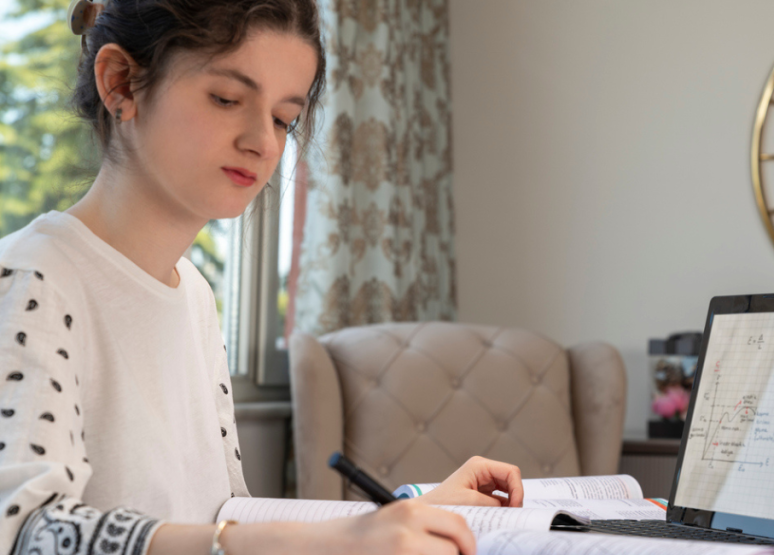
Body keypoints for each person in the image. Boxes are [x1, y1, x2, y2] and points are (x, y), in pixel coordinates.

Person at [0, 0, 524, 553]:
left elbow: (224, 514)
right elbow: (25, 531)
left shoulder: (194, 294)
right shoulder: (30, 279)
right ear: (121, 83)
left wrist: (415, 512)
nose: (264, 143)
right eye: (227, 99)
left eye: (283, 118)